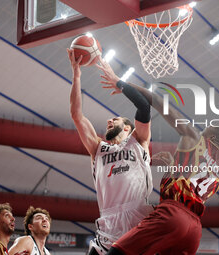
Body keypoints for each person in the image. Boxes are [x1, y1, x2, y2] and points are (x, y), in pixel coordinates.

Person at [101, 80, 219, 254]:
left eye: (205, 131)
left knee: (117, 252)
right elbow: (193, 182)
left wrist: (122, 84)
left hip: (173, 214)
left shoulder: (197, 139)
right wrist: (173, 164)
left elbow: (161, 104)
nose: (201, 132)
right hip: (194, 230)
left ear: (212, 137)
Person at [67, 51, 153, 255]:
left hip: (138, 221)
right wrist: (76, 75)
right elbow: (76, 115)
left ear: (127, 128)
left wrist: (119, 83)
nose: (109, 121)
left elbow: (143, 106)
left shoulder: (138, 142)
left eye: (115, 119)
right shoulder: (98, 149)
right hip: (107, 227)